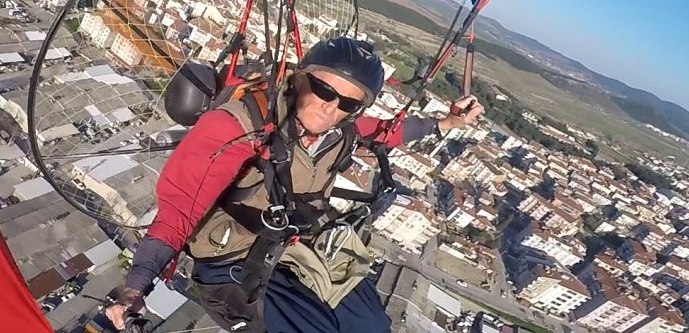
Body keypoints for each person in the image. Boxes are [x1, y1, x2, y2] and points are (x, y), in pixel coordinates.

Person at [105, 36, 485, 333]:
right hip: (232, 265)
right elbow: (178, 213)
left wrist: (445, 124)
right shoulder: (236, 126)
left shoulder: (340, 130)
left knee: (372, 326)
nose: (331, 107)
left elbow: (384, 133)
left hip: (294, 250)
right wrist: (137, 287)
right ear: (300, 78)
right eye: (323, 90)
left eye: (348, 104)